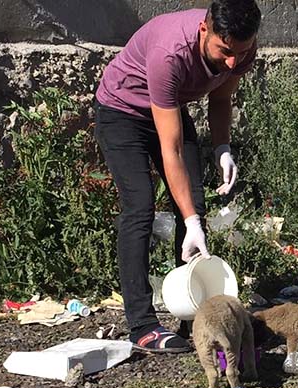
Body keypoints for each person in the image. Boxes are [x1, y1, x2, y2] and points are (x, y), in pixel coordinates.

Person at [94, 0, 261, 353]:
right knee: (140, 205)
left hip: (168, 108)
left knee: (195, 204)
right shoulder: (170, 53)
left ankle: (194, 316)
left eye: (241, 53)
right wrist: (189, 219)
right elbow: (171, 153)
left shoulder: (242, 49)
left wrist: (222, 148)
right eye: (225, 51)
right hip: (122, 111)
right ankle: (142, 325)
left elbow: (221, 98)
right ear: (205, 30)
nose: (233, 62)